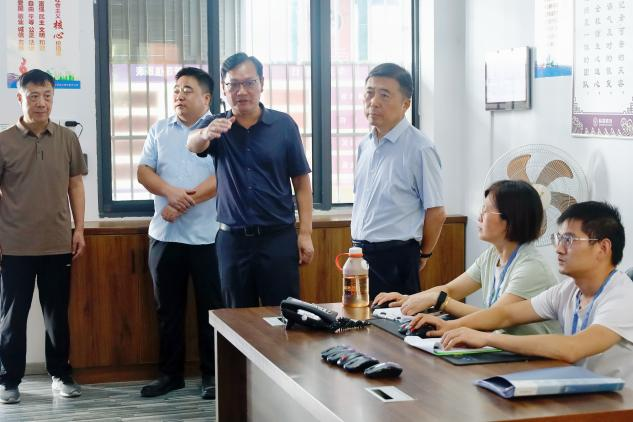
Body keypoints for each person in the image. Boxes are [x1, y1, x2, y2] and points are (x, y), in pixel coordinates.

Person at [411, 201, 633, 384]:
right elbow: (506, 315)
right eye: (559, 239)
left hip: (618, 405)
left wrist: (486, 338)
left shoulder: (622, 297)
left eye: (569, 240)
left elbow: (573, 348)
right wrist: (451, 326)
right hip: (579, 391)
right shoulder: (568, 290)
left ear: (603, 248)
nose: (558, 248)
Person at [187, 52, 314, 307]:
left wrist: (305, 233)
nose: (242, 91)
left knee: (283, 315)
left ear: (262, 84)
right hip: (233, 241)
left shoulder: (284, 125)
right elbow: (192, 144)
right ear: (224, 88)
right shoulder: (216, 125)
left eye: (249, 83)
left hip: (278, 238)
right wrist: (205, 133)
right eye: (233, 84)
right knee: (236, 318)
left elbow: (301, 183)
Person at [0, 69, 87, 404]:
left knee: (56, 315)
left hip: (57, 243)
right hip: (14, 245)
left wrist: (79, 229)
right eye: (33, 96)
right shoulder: (4, 141)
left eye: (47, 95)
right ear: (20, 98)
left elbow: (75, 185)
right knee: (13, 317)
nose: (41, 103)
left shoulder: (67, 139)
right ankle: (9, 380)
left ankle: (60, 374)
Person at [375, 180, 560, 335]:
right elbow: (451, 290)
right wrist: (407, 298)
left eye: (486, 210)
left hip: (533, 360)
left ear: (511, 220)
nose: (479, 215)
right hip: (503, 349)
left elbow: (496, 317)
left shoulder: (531, 268)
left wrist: (440, 301)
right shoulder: (492, 255)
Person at [137, 67, 223, 399]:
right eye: (176, 90)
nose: (179, 95)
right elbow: (144, 171)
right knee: (167, 311)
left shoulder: (219, 131)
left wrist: (182, 203)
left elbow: (221, 178)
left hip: (209, 237)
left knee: (211, 311)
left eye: (187, 90)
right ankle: (170, 375)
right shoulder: (159, 129)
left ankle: (212, 375)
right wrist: (171, 195)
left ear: (206, 97)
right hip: (165, 236)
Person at [352, 63, 446, 299]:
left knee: (393, 320)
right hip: (359, 253)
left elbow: (436, 211)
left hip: (396, 255)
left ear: (406, 104)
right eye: (369, 93)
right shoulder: (364, 145)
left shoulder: (420, 148)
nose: (374, 102)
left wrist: (424, 254)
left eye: (384, 95)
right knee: (357, 316)